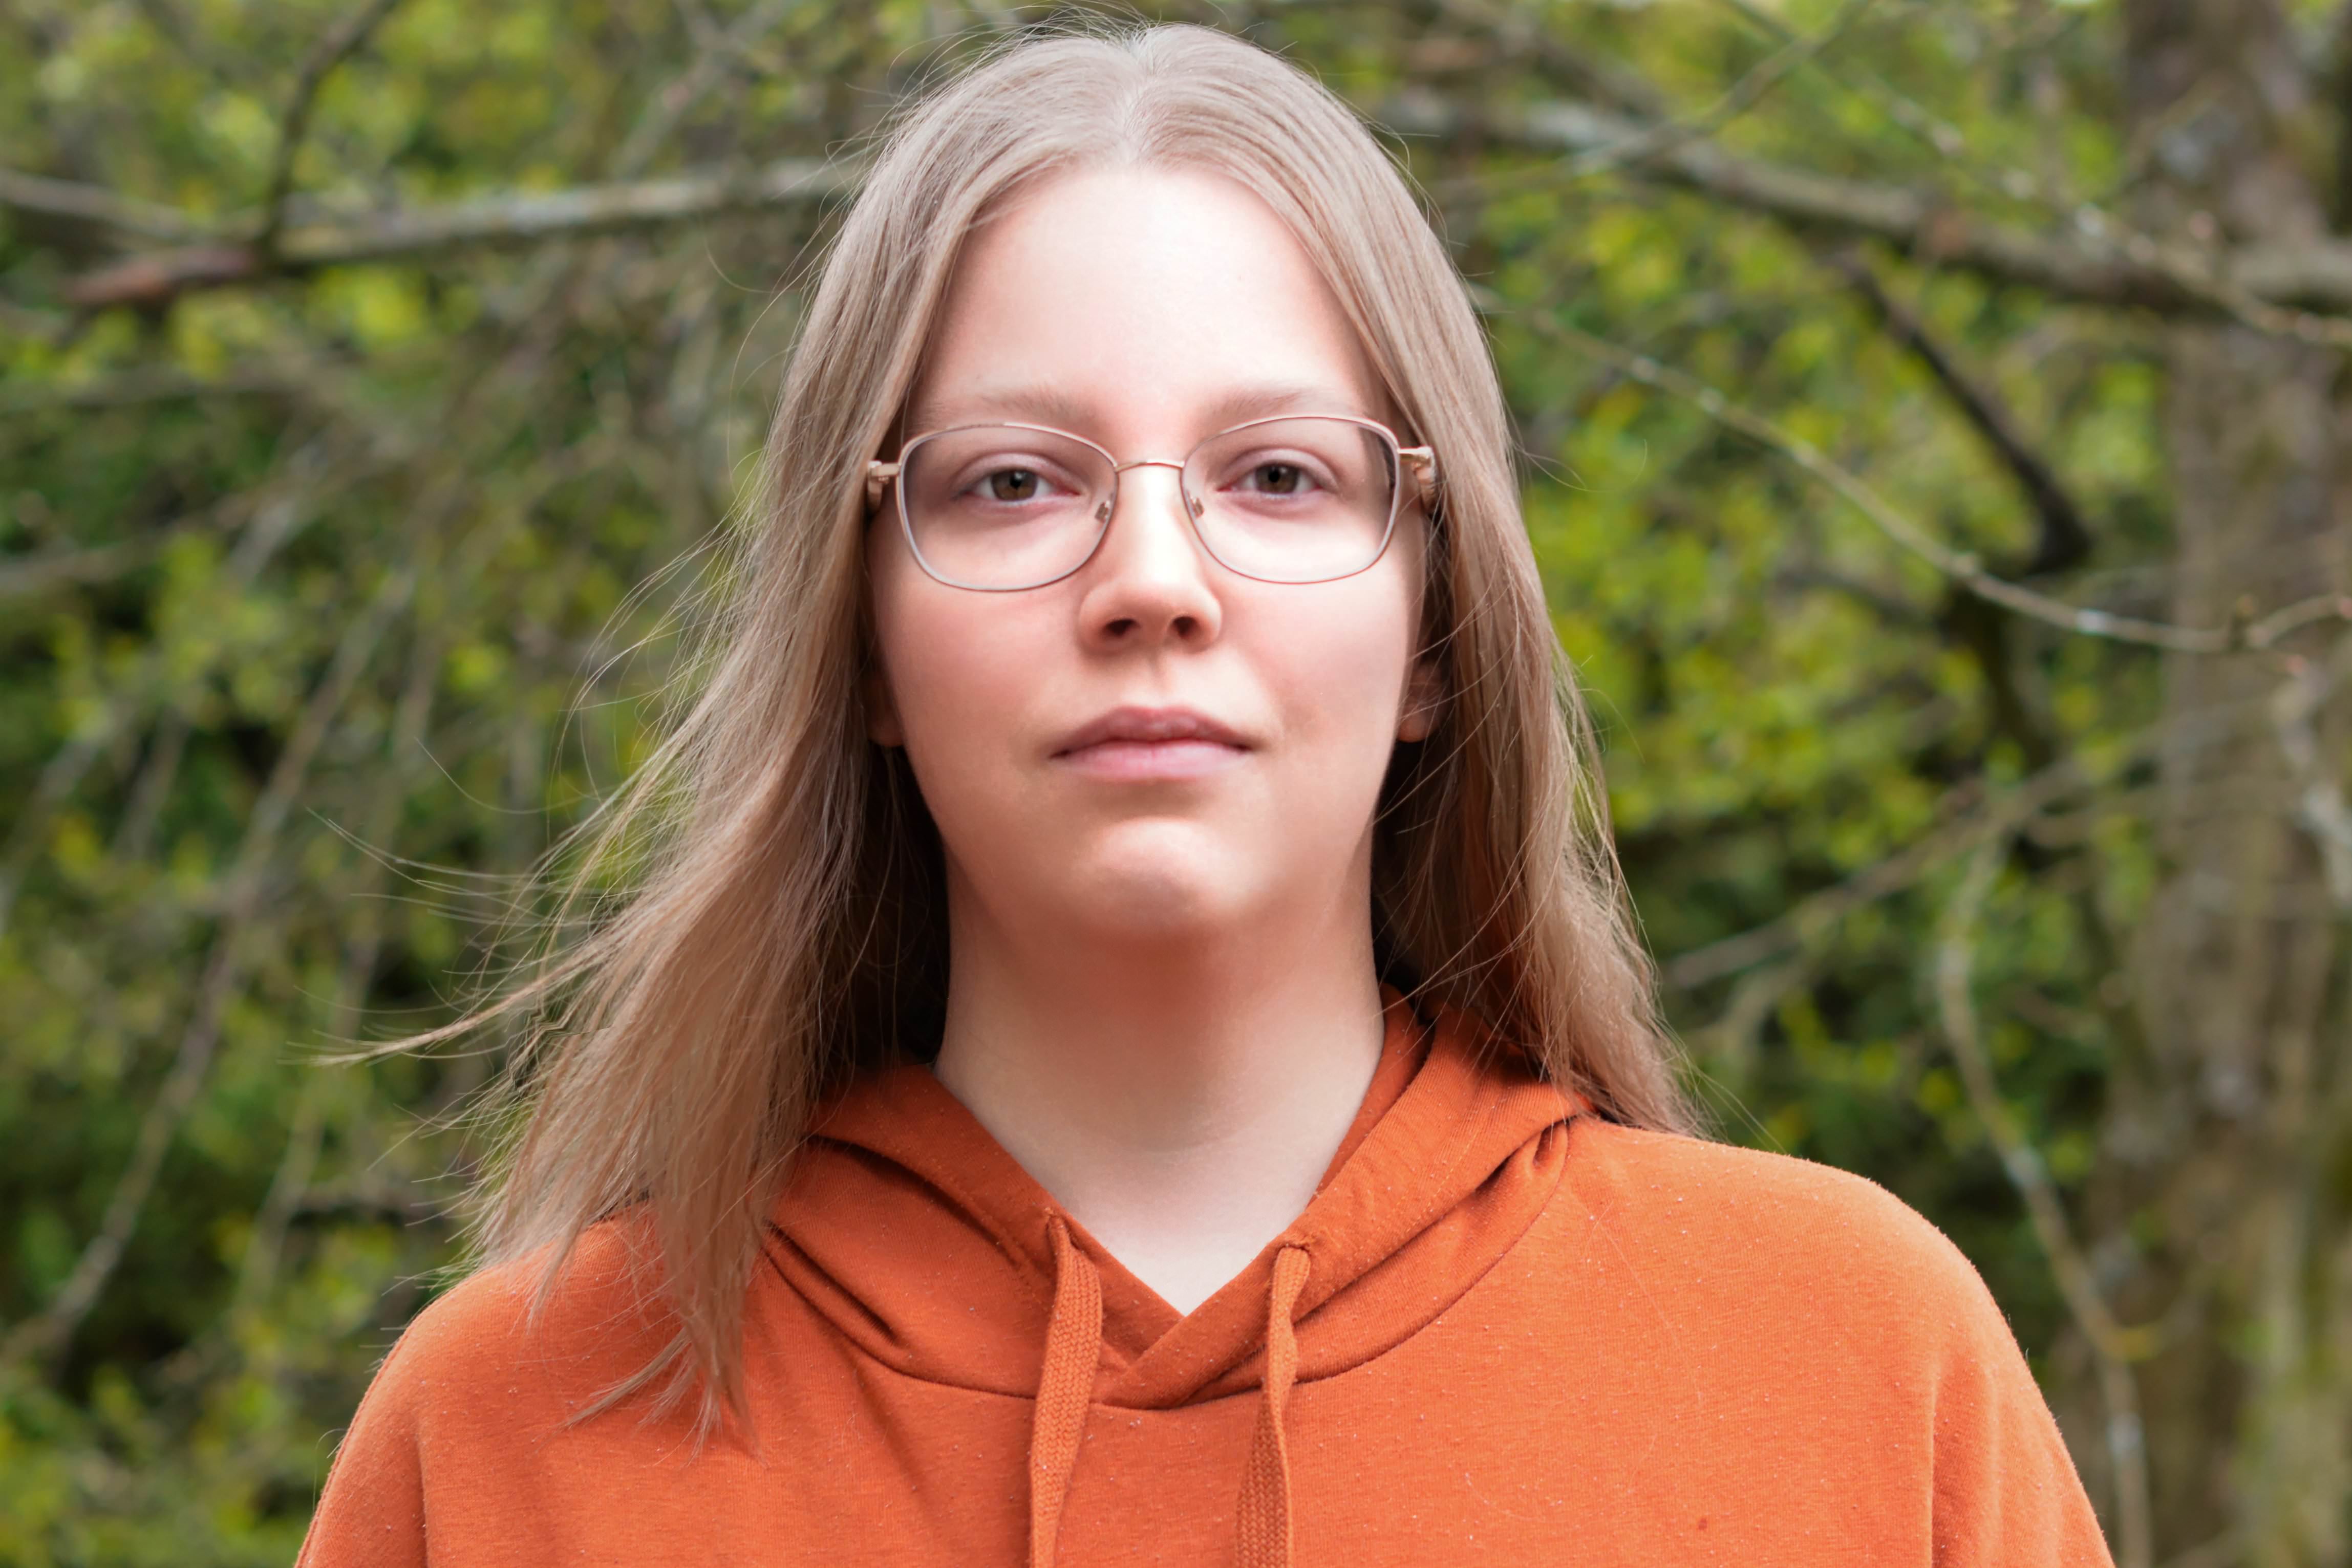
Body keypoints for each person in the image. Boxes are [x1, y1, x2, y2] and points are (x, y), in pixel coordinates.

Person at [296, 21, 2113, 1567]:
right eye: (1013, 481)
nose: (1150, 580)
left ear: (1433, 630)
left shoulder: (1851, 1368)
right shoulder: (513, 1433)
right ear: (862, 644)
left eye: (1278, 475)